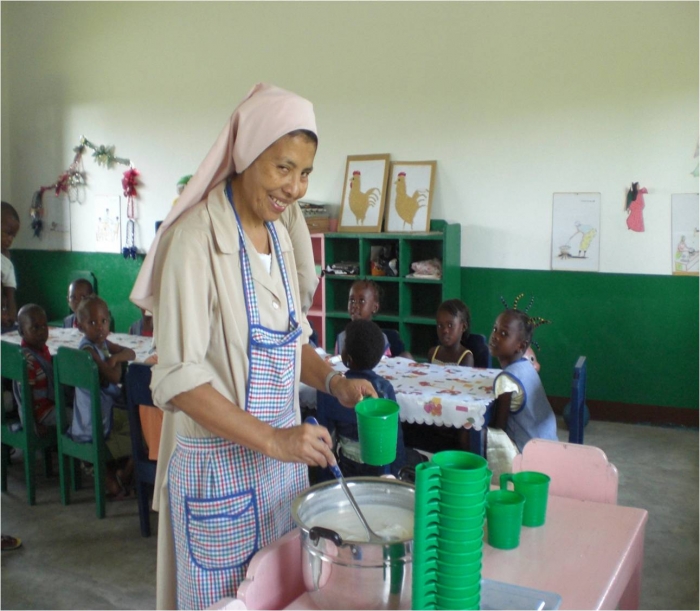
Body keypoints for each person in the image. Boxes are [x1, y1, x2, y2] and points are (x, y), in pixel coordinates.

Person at [129, 83, 376, 610]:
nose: (294, 188)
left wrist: (333, 381)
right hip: (219, 474)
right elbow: (179, 379)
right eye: (282, 168)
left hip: (278, 474)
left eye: (305, 172)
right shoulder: (196, 241)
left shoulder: (280, 234)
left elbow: (289, 344)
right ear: (246, 156)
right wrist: (276, 439)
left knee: (279, 598)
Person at [318, 319, 415, 478]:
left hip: (345, 473)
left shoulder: (329, 389)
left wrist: (326, 482)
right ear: (379, 357)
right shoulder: (383, 389)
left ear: (345, 355)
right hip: (380, 476)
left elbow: (325, 442)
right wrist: (396, 476)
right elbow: (395, 441)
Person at [71, 295, 136, 499]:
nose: (99, 327)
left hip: (100, 412)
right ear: (80, 326)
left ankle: (118, 475)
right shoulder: (89, 350)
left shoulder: (103, 344)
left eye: (103, 321)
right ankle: (120, 476)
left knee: (136, 425)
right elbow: (115, 376)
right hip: (94, 421)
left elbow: (131, 353)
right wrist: (114, 361)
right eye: (92, 322)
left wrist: (115, 357)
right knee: (140, 437)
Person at [488, 307, 557, 453]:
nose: (495, 336)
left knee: (472, 433)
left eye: (504, 333)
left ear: (521, 345)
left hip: (526, 452)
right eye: (495, 329)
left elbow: (499, 428)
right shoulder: (528, 366)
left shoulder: (506, 380)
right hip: (549, 445)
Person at [335, 279, 412, 358]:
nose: (354, 305)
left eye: (361, 301)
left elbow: (385, 365)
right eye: (352, 300)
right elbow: (336, 364)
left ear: (375, 307)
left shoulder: (380, 339)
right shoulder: (341, 337)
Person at [13, 304, 56, 436]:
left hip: (46, 408)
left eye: (44, 326)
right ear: (21, 332)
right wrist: (34, 424)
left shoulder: (41, 350)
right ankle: (76, 452)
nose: (42, 331)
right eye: (35, 327)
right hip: (40, 414)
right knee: (79, 417)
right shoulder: (28, 359)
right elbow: (26, 395)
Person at [427, 299, 475, 367]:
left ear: (463, 327)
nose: (445, 330)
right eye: (440, 325)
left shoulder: (466, 357)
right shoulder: (432, 353)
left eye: (450, 325)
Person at [1, 201, 20, 333]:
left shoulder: (6, 261)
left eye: (13, 236)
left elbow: (10, 292)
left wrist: (12, 315)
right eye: (7, 233)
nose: (10, 239)